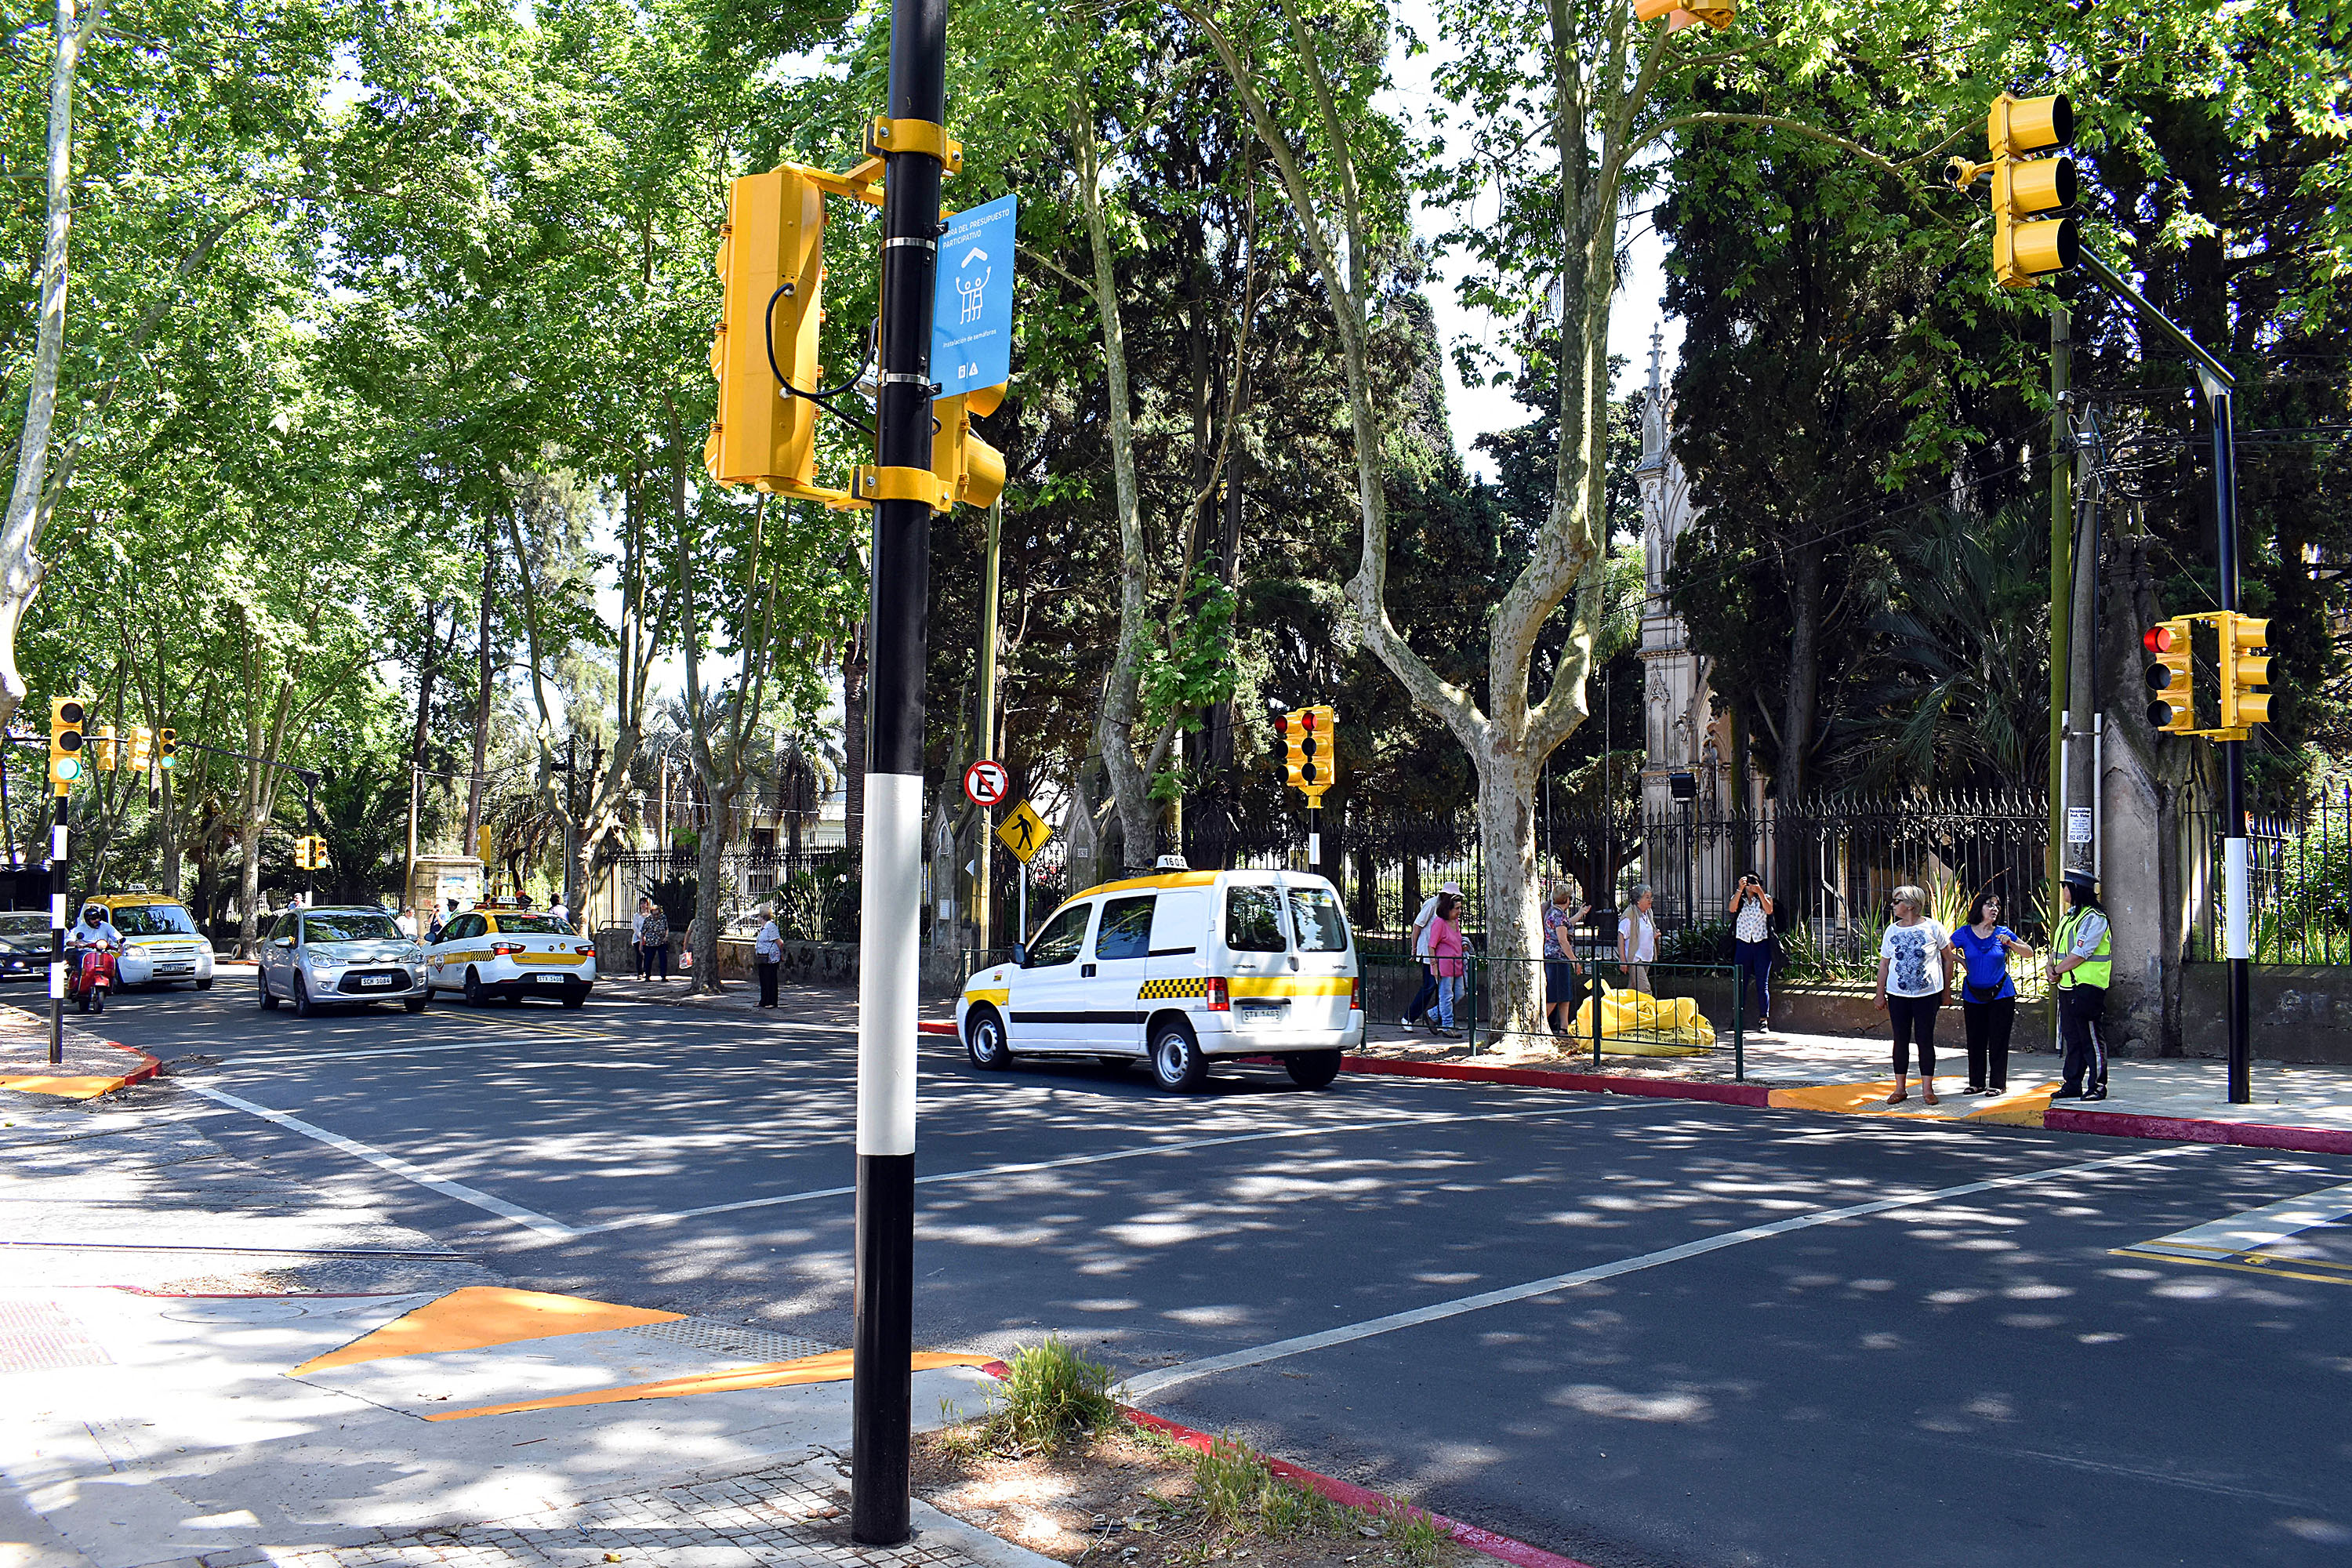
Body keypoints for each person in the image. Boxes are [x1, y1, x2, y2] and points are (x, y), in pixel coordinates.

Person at [1875, 884, 1954, 1106]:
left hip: (1927, 994)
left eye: (1897, 901)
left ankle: (1927, 1089)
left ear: (1910, 905)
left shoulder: (1933, 928)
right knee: (1900, 1040)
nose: (1893, 905)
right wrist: (1880, 994)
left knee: (1925, 1039)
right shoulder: (1892, 931)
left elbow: (1947, 958)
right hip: (1898, 994)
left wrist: (1946, 991)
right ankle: (1900, 1088)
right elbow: (1885, 964)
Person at [1953, 891, 2034, 1095]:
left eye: (1997, 906)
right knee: (1975, 1039)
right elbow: (1943, 948)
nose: (1994, 909)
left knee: (1998, 1039)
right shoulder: (1964, 932)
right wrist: (1962, 961)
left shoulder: (2003, 932)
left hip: (2001, 995)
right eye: (1990, 905)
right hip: (1973, 994)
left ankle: (1998, 1084)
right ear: (1979, 908)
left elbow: (2029, 952)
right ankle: (1976, 1082)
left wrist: (2011, 944)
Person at [2049, 871, 2111, 1101]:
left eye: (2065, 886)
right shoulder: (2070, 916)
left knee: (2091, 1039)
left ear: (2075, 889)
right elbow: (2058, 951)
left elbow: (2080, 954)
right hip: (2067, 986)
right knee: (2072, 1038)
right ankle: (2072, 1083)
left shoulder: (2094, 918)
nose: (2063, 891)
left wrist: (2056, 970)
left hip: (2087, 987)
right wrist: (2050, 968)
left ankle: (2097, 1085)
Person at [1401, 880, 1460, 1029]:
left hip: (1442, 953)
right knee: (1430, 985)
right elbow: (1417, 926)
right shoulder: (1432, 904)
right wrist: (1414, 950)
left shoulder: (1449, 909)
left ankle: (1437, 1017)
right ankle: (1409, 1017)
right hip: (1429, 951)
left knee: (1444, 987)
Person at [1728, 872, 1776, 1033]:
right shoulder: (1739, 899)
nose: (1750, 884)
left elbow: (1769, 910)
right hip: (1743, 944)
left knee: (1762, 983)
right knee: (1740, 982)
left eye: (1753, 881)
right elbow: (1731, 908)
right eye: (1747, 881)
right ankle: (1738, 1019)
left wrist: (1759, 891)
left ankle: (1764, 1019)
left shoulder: (1765, 897)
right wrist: (1739, 889)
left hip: (1761, 944)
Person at [1543, 883, 1587, 1035]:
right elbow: (1563, 940)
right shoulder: (1558, 916)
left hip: (1555, 958)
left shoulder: (1553, 913)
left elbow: (1567, 925)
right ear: (1569, 899)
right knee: (1555, 996)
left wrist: (1580, 913)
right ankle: (1539, 1025)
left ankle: (1564, 1027)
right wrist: (1575, 961)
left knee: (1564, 995)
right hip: (1558, 959)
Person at [1426, 891, 1466, 1040]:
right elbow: (1432, 945)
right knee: (1446, 996)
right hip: (1444, 965)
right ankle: (1447, 1026)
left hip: (1457, 964)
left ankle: (1433, 1014)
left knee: (1460, 993)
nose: (1459, 912)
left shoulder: (1454, 922)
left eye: (1460, 908)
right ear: (1447, 909)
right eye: (1457, 909)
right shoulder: (1439, 923)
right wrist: (1434, 966)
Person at [1617, 884, 1657, 996]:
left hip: (1646, 957)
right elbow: (1621, 938)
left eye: (1650, 897)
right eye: (1647, 897)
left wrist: (1655, 935)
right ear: (1638, 900)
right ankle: (1650, 1012)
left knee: (1633, 989)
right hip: (1635, 959)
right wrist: (1623, 961)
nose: (1650, 900)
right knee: (1645, 990)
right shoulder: (1630, 915)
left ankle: (1625, 1011)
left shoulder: (1648, 914)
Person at [635, 897, 670, 982]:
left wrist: (666, 936)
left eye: (657, 914)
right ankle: (647, 976)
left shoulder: (663, 918)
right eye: (654, 914)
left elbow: (666, 928)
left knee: (663, 959)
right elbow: (643, 931)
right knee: (648, 959)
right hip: (650, 942)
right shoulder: (648, 919)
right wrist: (641, 944)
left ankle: (663, 976)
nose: (656, 916)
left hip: (661, 941)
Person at [753, 906, 782, 1007]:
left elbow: (779, 942)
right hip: (762, 957)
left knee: (770, 979)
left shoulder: (771, 927)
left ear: (762, 916)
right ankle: (764, 1000)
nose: (757, 918)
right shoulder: (763, 928)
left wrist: (781, 954)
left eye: (759, 916)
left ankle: (772, 1001)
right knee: (763, 979)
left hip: (771, 958)